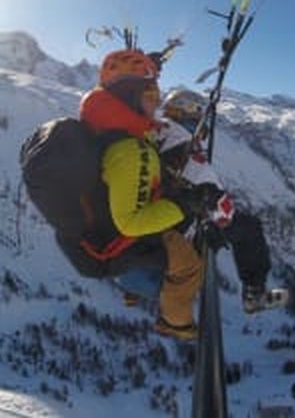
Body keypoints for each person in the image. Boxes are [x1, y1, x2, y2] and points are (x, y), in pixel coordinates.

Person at [78, 49, 215, 340]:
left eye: (157, 96)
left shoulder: (111, 127)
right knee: (191, 266)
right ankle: (175, 323)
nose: (157, 105)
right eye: (151, 97)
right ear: (130, 97)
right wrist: (186, 203)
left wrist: (151, 65)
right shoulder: (133, 149)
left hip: (105, 231)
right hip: (123, 241)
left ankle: (132, 292)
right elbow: (131, 222)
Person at [158, 88, 289, 314]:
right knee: (248, 228)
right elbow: (223, 212)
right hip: (179, 229)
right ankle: (254, 294)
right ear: (192, 117)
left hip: (155, 216)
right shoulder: (188, 152)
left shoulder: (156, 132)